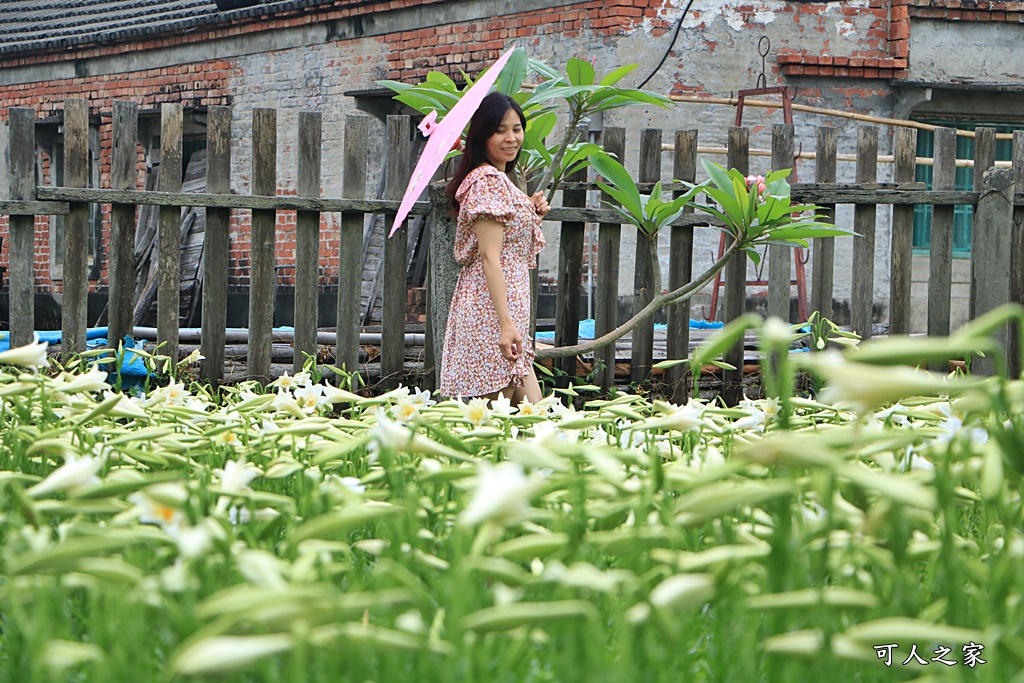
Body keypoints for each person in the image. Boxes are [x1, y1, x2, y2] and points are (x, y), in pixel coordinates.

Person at [439, 91, 550, 403]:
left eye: (516, 129)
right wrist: (504, 325)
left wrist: (529, 209)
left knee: (536, 422)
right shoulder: (487, 182)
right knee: (488, 428)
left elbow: (503, 236)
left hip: (507, 313)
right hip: (491, 316)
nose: (510, 138)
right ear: (482, 135)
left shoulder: (499, 182)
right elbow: (489, 256)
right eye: (499, 130)